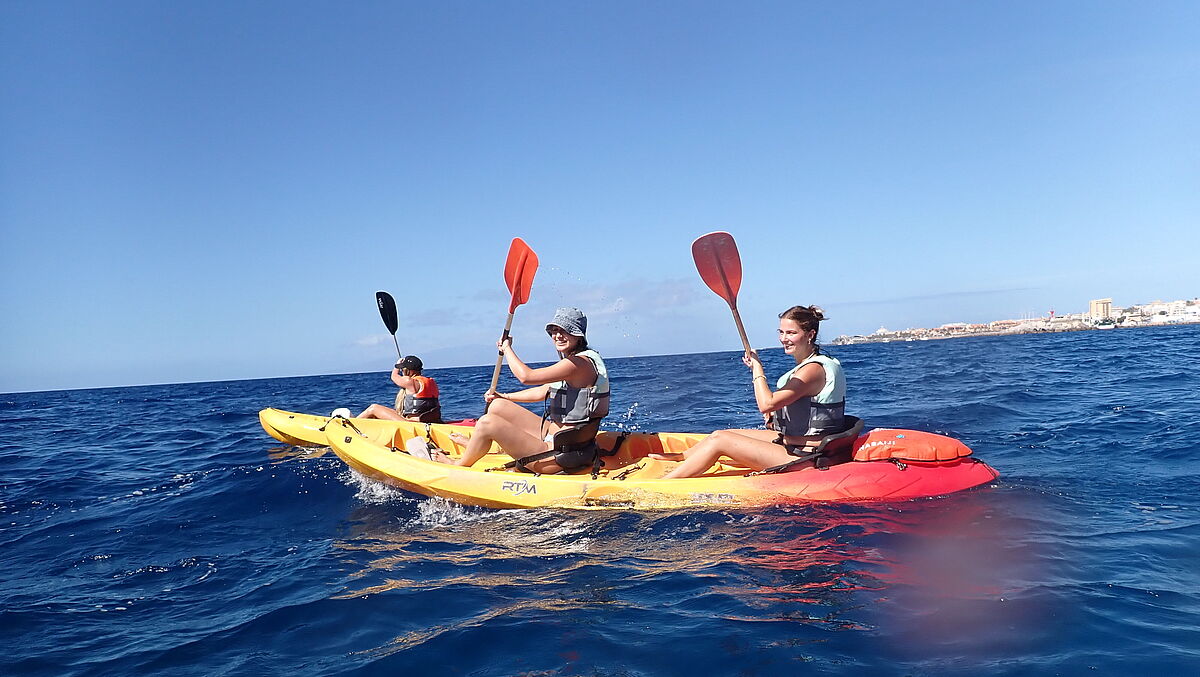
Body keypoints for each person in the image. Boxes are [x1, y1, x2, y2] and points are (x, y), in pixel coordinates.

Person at [662, 305, 847, 479]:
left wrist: (757, 369)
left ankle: (662, 484)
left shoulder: (813, 369)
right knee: (721, 432)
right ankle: (683, 456)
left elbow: (766, 403)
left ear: (810, 334)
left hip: (805, 457)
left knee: (720, 440)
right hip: (793, 442)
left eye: (791, 333)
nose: (784, 338)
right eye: (781, 332)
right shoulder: (812, 364)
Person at [441, 307, 611, 473]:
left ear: (578, 335)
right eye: (554, 330)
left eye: (565, 331)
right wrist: (504, 396)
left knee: (487, 423)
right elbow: (541, 391)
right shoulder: (578, 361)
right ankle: (479, 445)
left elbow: (526, 377)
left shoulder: (578, 364)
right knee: (497, 406)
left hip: (558, 456)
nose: (558, 335)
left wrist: (507, 348)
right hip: (556, 438)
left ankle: (459, 465)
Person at [356, 355, 443, 423]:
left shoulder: (409, 381)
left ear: (409, 370)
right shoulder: (431, 382)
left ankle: (351, 425)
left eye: (403, 368)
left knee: (374, 408)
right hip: (429, 421)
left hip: (413, 423)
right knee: (393, 412)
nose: (402, 370)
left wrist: (396, 366)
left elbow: (394, 377)